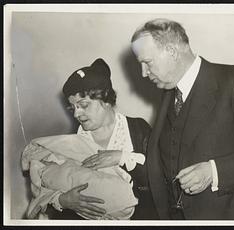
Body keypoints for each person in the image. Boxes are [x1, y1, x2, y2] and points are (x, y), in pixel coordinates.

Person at [131, 18, 234, 220]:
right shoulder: (168, 93)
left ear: (172, 51)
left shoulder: (233, 81)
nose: (143, 73)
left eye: (147, 63)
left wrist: (214, 172)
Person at [21, 58, 158, 220]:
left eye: (83, 105)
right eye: (73, 107)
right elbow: (49, 182)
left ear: (105, 99)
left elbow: (161, 177)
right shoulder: (71, 143)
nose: (76, 114)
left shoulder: (138, 130)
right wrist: (62, 200)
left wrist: (121, 157)